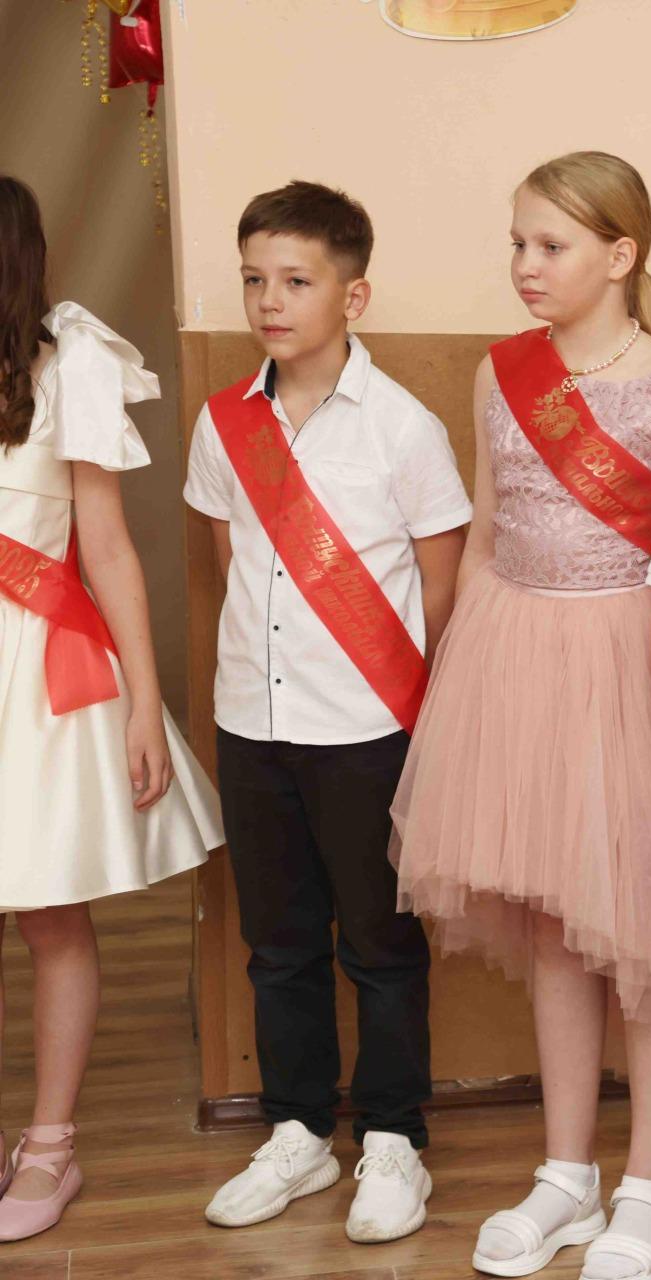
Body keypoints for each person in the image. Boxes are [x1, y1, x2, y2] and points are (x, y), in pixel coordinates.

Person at [387, 150, 651, 1280]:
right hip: (516, 659)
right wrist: (458, 674)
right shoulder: (502, 372)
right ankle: (567, 1171)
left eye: (551, 245)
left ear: (620, 254)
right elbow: (490, 528)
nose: (525, 265)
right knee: (554, 923)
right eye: (518, 244)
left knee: (648, 931)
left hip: (629, 665)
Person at [188, 180, 470, 1244]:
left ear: (353, 295)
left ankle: (394, 1139)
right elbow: (232, 561)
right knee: (278, 942)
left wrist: (419, 718)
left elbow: (440, 588)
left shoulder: (404, 428)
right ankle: (299, 1128)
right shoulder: (224, 421)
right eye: (254, 279)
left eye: (296, 280)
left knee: (382, 945)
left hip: (367, 729)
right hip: (251, 724)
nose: (270, 300)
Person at [0, 175, 221, 1243]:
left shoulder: (72, 361)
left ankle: (51, 1143)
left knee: (48, 906)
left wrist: (143, 703)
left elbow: (109, 546)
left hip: (33, 658)